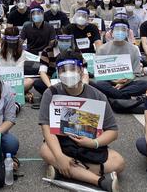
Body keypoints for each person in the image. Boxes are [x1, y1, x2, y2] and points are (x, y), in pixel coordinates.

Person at [39, 50, 123, 192]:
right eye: (63, 70)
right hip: (62, 143)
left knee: (119, 163)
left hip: (88, 144)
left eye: (73, 68)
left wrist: (93, 142)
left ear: (81, 70)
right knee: (45, 150)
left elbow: (112, 131)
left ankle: (63, 171)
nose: (68, 73)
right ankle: (99, 181)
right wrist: (59, 156)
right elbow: (46, 129)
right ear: (58, 73)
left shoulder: (98, 95)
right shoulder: (51, 93)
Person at [91, 20, 147, 99]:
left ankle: (114, 95)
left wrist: (123, 83)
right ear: (111, 32)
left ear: (127, 32)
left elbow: (135, 73)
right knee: (98, 83)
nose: (120, 32)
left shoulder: (134, 49)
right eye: (117, 29)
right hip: (108, 82)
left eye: (123, 29)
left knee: (145, 84)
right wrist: (113, 81)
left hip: (127, 83)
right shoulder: (102, 49)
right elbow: (98, 73)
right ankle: (122, 96)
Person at [0, 26, 34, 93]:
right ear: (5, 39)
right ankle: (14, 93)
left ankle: (9, 93)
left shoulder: (22, 53)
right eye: (10, 40)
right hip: (1, 82)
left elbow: (20, 72)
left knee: (30, 81)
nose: (12, 42)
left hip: (16, 82)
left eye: (14, 40)